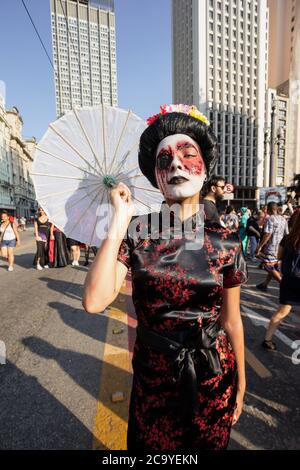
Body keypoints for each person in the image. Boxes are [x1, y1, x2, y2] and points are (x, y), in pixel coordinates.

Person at [83, 105, 248, 451]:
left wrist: (241, 383)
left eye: (188, 155)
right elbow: (94, 301)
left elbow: (231, 320)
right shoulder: (138, 232)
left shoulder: (226, 238)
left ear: (205, 168)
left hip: (214, 377)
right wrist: (118, 220)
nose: (176, 164)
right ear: (155, 176)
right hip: (153, 383)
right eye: (165, 159)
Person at [262, 210, 300, 351]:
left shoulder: (287, 238)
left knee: (282, 311)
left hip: (288, 280)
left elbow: (279, 256)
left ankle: (267, 339)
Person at [256, 202, 289, 291]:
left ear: (270, 209)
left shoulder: (270, 219)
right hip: (280, 247)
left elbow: (268, 234)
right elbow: (287, 234)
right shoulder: (283, 219)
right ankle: (264, 284)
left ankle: (284, 284)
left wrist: (259, 246)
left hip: (271, 247)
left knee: (267, 265)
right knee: (273, 266)